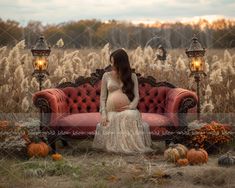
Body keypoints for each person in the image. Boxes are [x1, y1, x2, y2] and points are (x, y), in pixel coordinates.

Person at [92, 49, 153, 155]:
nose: (111, 65)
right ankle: (119, 147)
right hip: (111, 111)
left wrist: (131, 106)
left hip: (128, 109)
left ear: (121, 63)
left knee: (131, 115)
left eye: (114, 62)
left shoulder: (132, 76)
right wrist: (103, 114)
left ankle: (129, 147)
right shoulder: (106, 76)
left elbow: (137, 96)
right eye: (111, 61)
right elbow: (102, 98)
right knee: (115, 119)